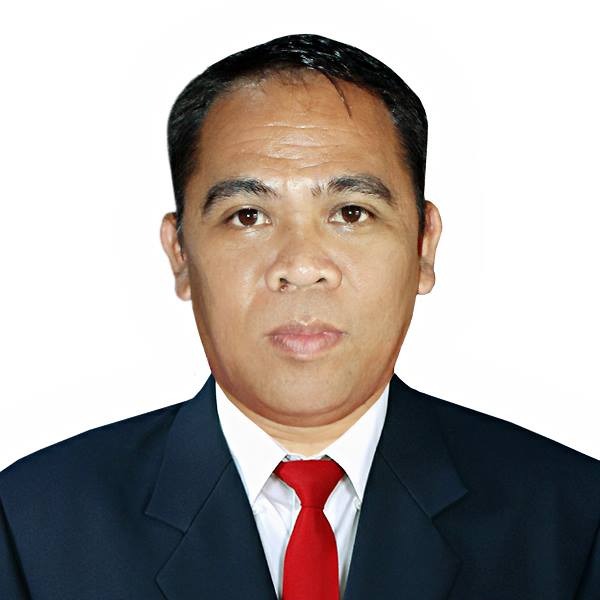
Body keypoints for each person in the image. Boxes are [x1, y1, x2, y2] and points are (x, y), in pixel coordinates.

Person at [1, 33, 599, 600]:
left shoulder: (574, 521)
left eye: (351, 212)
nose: (302, 266)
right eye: (248, 216)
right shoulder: (31, 524)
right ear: (180, 254)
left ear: (423, 246)